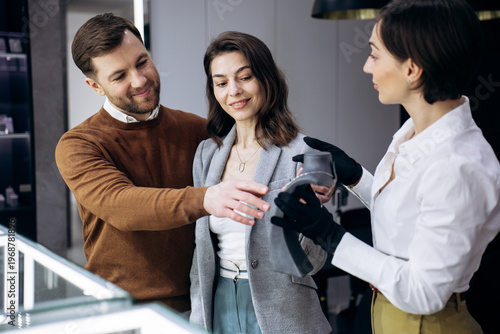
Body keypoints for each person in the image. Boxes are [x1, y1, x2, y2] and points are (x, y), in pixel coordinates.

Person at [272, 0, 500, 333]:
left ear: (412, 69)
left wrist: (330, 236)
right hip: (388, 314)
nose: (366, 66)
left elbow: (424, 293)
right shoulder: (415, 131)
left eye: (375, 55)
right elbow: (408, 218)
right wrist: (355, 175)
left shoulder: (459, 165)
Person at [55, 14, 271, 313]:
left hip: (199, 304)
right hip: (119, 309)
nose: (140, 80)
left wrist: (302, 183)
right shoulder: (79, 144)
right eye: (119, 76)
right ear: (95, 86)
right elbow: (122, 205)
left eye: (142, 62)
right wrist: (206, 198)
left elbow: (253, 158)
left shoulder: (197, 129)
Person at [189, 31, 332, 333]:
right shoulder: (206, 155)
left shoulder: (303, 152)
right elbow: (200, 253)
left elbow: (315, 261)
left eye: (245, 77)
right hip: (219, 304)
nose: (234, 91)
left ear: (266, 79)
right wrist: (198, 318)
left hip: (285, 311)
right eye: (222, 82)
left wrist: (307, 216)